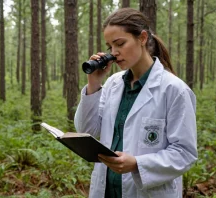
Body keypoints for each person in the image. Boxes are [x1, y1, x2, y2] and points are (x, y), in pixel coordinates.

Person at [74, 7, 197, 198]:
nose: (114, 53)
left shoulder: (174, 90)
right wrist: (94, 83)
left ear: (142, 38)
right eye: (109, 47)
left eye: (120, 44)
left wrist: (137, 164)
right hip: (106, 191)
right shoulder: (113, 83)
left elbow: (184, 153)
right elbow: (87, 130)